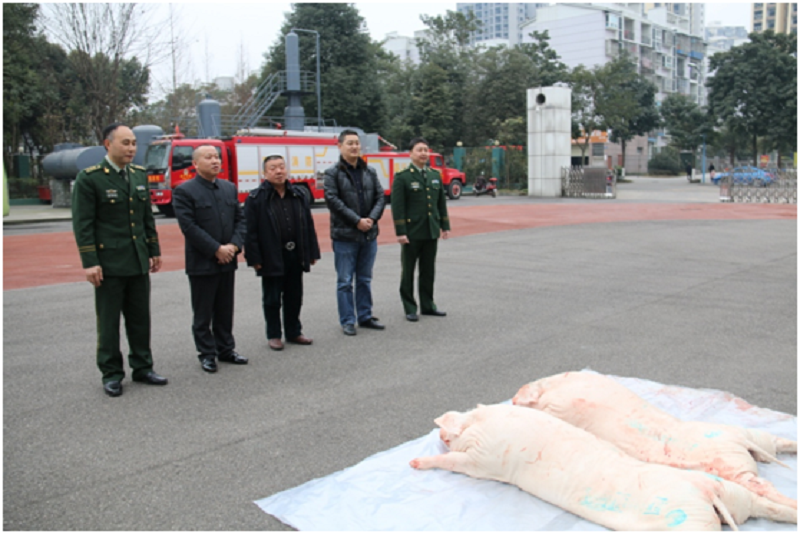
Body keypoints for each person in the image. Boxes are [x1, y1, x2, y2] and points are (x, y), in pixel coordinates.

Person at [71, 123, 167, 397]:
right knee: (109, 321)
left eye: (134, 143)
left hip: (136, 260)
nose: (131, 148)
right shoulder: (90, 178)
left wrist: (153, 249)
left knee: (140, 319)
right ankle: (111, 373)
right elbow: (83, 223)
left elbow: (146, 216)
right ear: (107, 144)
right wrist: (90, 261)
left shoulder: (137, 174)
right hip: (109, 263)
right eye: (125, 143)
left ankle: (143, 367)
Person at [173, 145, 248, 373]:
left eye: (217, 157)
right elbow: (189, 227)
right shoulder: (185, 191)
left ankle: (226, 349)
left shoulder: (228, 188)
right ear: (195, 164)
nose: (215, 161)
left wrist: (234, 246)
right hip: (203, 261)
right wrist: (216, 249)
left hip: (228, 260)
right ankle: (206, 353)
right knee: (203, 311)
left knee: (225, 309)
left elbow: (240, 220)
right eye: (209, 157)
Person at [244, 155, 320, 351]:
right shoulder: (255, 198)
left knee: (294, 295)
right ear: (264, 173)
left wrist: (311, 251)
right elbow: (249, 231)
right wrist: (254, 258)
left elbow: (308, 225)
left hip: (295, 253)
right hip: (271, 255)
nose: (278, 171)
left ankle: (294, 331)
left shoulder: (299, 194)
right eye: (272, 168)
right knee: (272, 298)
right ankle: (274, 335)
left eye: (281, 167)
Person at [323, 130, 386, 336]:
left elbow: (380, 197)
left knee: (365, 279)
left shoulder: (370, 171)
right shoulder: (332, 173)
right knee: (344, 281)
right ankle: (348, 320)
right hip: (345, 236)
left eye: (357, 143)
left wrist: (371, 220)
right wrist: (356, 221)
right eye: (349, 143)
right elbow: (333, 201)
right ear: (340, 146)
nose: (354, 147)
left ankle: (365, 316)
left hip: (369, 234)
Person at [391, 137, 450, 322]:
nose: (424, 153)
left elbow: (441, 203)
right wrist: (400, 231)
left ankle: (428, 305)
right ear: (410, 154)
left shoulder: (434, 175)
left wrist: (444, 226)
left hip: (430, 230)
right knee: (408, 271)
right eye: (419, 150)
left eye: (426, 149)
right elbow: (398, 206)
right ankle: (409, 307)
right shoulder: (403, 177)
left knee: (428, 271)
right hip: (411, 232)